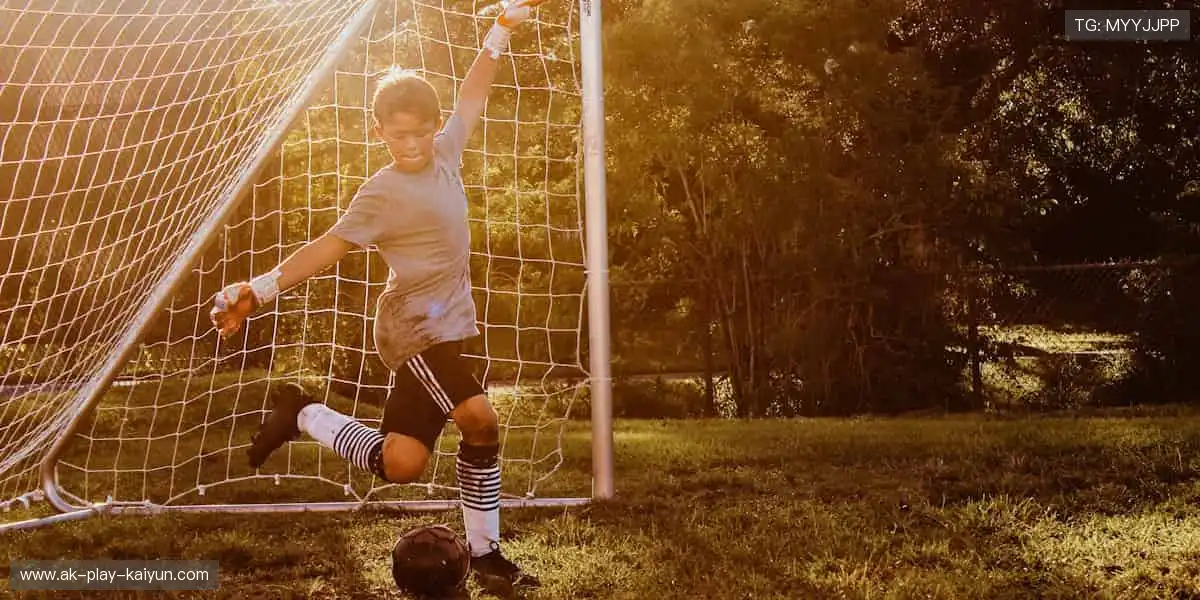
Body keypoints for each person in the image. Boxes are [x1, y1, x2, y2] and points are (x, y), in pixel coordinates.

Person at [209, 0, 546, 591]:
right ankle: (486, 553)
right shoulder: (380, 193)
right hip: (414, 331)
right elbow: (328, 247)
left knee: (403, 463)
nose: (411, 142)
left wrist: (499, 30)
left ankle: (302, 413)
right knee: (481, 422)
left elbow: (471, 97)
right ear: (379, 132)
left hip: (452, 327)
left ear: (431, 129)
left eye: (420, 131)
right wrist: (256, 291)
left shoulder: (446, 155)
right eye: (398, 133)